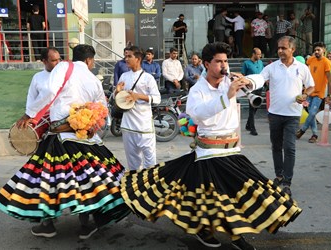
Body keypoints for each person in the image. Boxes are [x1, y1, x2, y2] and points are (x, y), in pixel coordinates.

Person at [120, 42, 302, 250]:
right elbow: (198, 114)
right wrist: (228, 96)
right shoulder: (198, 90)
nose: (223, 65)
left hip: (232, 150)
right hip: (208, 152)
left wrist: (248, 81)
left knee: (241, 195)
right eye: (219, 62)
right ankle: (207, 231)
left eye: (225, 61)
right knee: (212, 200)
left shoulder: (229, 82)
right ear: (207, 64)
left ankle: (236, 234)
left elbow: (261, 78)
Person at [0, 44, 130, 239]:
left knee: (49, 181)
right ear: (90, 61)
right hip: (86, 139)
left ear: (73, 58)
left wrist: (28, 115)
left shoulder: (64, 68)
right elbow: (102, 108)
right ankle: (86, 225)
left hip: (60, 136)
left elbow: (49, 92)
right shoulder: (93, 79)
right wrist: (90, 126)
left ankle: (48, 225)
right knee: (87, 180)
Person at [260, 36, 315, 196]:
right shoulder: (272, 67)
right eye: (278, 48)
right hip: (275, 114)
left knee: (289, 148)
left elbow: (311, 86)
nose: (280, 51)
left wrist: (305, 95)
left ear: (292, 49)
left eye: (283, 48)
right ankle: (279, 175)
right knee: (276, 146)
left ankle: (287, 182)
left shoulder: (302, 67)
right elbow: (260, 78)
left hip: (292, 115)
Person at [115, 46, 161, 170]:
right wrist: (117, 91)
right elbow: (118, 100)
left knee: (150, 162)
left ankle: (149, 186)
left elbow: (157, 99)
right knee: (133, 163)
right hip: (128, 125)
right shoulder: (124, 76)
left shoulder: (148, 78)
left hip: (144, 126)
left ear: (138, 59)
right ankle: (135, 187)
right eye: (125, 56)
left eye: (129, 56)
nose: (126, 59)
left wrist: (138, 96)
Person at [296, 42, 331, 143]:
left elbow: (330, 80)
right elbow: (304, 72)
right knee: (310, 115)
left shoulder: (326, 62)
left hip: (319, 94)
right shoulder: (311, 59)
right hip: (308, 92)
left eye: (318, 50)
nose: (316, 52)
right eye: (315, 50)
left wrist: (329, 95)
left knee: (312, 113)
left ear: (324, 50)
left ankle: (302, 130)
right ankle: (315, 135)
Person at [16, 47, 61, 128]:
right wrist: (29, 115)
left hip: (61, 119)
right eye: (54, 60)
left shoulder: (65, 75)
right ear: (44, 61)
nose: (58, 63)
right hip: (41, 119)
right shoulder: (37, 77)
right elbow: (31, 98)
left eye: (59, 59)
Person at [242, 48, 264, 136]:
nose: (260, 56)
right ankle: (252, 128)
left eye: (260, 54)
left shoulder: (260, 62)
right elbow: (243, 75)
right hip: (251, 88)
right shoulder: (246, 63)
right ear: (253, 54)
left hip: (260, 87)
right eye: (258, 54)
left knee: (256, 106)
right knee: (252, 107)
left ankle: (248, 124)